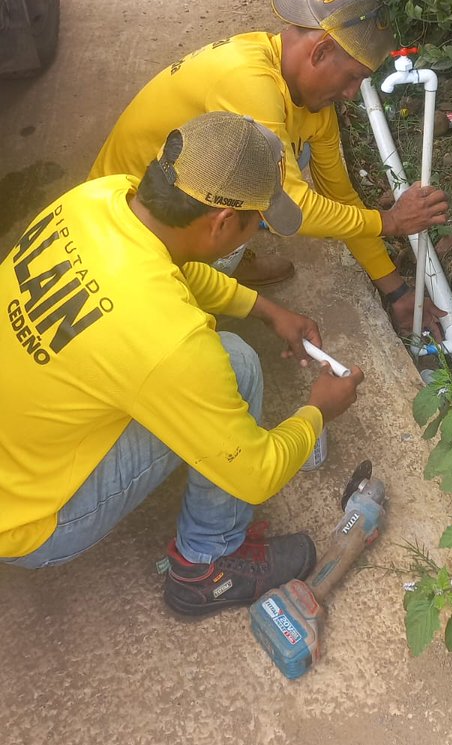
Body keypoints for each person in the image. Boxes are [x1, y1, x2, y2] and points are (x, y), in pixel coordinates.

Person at [0, 112, 363, 617]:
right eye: (257, 221)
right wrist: (318, 411)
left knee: (216, 362)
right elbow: (255, 474)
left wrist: (266, 309)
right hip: (27, 520)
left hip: (17, 443)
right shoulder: (172, 341)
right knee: (234, 369)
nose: (258, 232)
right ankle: (205, 569)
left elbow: (176, 269)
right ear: (221, 222)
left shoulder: (98, 199)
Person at [90, 0, 449, 338]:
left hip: (177, 197)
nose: (352, 93)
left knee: (289, 153)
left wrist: (397, 291)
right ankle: (192, 281)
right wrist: (389, 222)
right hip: (129, 222)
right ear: (321, 51)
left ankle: (220, 259)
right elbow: (292, 206)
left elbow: (339, 197)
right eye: (353, 77)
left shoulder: (307, 100)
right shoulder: (247, 80)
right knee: (270, 178)